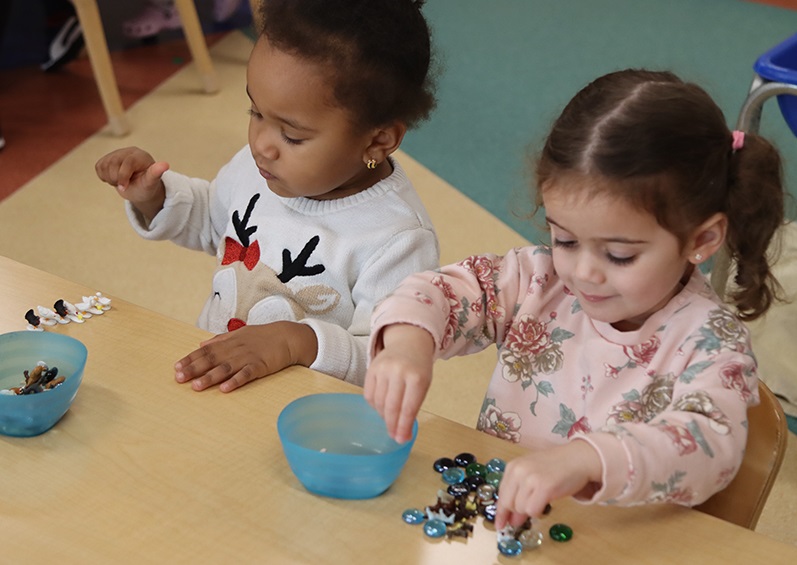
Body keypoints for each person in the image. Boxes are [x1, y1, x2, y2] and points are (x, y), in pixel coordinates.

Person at [364, 69, 786, 530]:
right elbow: (445, 292)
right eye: (565, 240)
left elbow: (708, 446)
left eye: (619, 254)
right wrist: (408, 342)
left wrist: (587, 459)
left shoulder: (712, 344)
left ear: (701, 239)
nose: (583, 272)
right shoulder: (537, 281)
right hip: (503, 528)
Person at [95, 0, 439, 392]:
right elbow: (212, 220)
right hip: (216, 383)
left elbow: (388, 362)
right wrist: (154, 197)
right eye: (255, 112)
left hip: (305, 422)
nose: (261, 144)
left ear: (378, 140)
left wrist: (297, 341)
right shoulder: (258, 166)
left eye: (292, 135)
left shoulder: (399, 239)